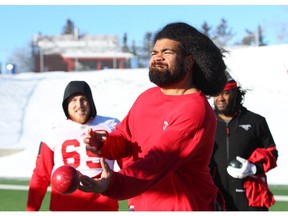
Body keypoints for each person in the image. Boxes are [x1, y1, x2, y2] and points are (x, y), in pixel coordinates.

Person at [78, 22, 228, 211]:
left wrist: (113, 184)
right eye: (153, 53)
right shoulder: (147, 97)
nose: (157, 57)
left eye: (167, 52)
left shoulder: (195, 109)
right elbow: (125, 137)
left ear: (189, 62)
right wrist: (105, 144)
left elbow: (156, 162)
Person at [26, 80, 120, 211]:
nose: (79, 105)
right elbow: (41, 175)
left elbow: (130, 165)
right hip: (64, 207)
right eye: (73, 100)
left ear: (91, 102)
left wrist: (134, 204)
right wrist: (31, 210)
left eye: (83, 99)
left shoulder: (112, 125)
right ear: (66, 104)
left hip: (103, 206)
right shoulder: (54, 130)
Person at [210, 73, 278, 211]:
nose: (220, 98)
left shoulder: (256, 121)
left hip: (251, 198)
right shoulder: (206, 122)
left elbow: (272, 153)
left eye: (226, 93)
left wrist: (253, 168)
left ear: (235, 94)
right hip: (216, 198)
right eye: (217, 94)